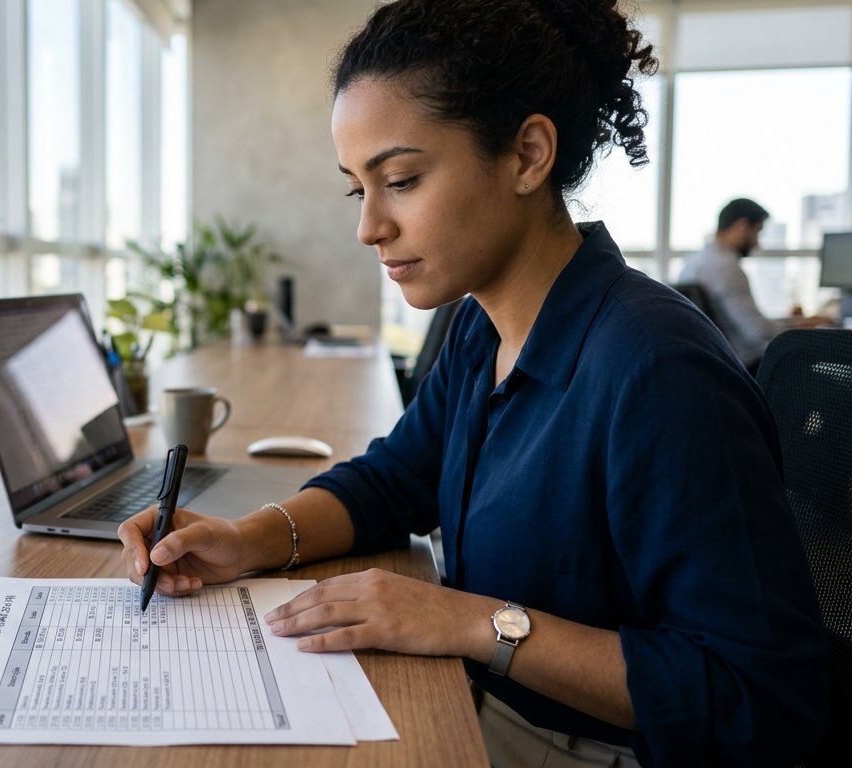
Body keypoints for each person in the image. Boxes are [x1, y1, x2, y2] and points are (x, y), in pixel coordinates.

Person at [116, 1, 828, 766]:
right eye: (360, 189)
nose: (370, 227)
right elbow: (395, 481)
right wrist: (244, 539)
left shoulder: (656, 370)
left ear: (526, 154)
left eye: (402, 179)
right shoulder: (481, 328)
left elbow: (758, 694)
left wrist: (469, 622)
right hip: (487, 702)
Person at [678, 198, 830, 370]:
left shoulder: (696, 261)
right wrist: (806, 329)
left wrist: (793, 322)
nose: (757, 243)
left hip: (718, 361)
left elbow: (747, 321)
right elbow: (758, 332)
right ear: (742, 226)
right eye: (757, 232)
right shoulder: (726, 266)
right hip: (747, 366)